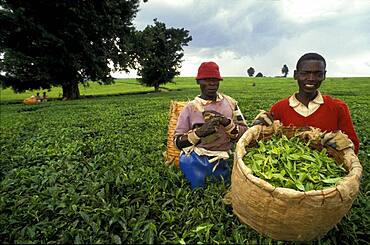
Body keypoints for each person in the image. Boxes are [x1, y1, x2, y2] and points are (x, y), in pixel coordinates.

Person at [254, 52, 360, 154]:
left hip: (328, 164)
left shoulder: (338, 108)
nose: (311, 79)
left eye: (318, 74)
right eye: (305, 73)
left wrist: (339, 144)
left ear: (324, 75)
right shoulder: (279, 108)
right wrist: (260, 126)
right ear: (296, 75)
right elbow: (268, 140)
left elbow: (353, 145)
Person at [173, 61, 248, 189]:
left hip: (223, 158)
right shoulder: (190, 108)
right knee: (198, 186)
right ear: (198, 82)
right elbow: (177, 142)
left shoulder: (230, 103)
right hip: (196, 159)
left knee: (224, 185)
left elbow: (245, 133)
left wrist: (227, 124)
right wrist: (199, 133)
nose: (212, 83)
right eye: (206, 80)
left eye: (215, 80)